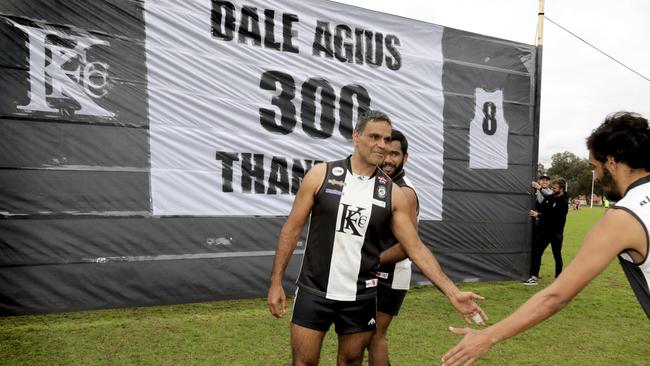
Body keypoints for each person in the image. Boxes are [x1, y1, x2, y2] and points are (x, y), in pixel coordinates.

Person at [266, 110, 487, 366]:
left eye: (386, 139)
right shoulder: (321, 175)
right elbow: (291, 230)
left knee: (351, 361)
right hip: (314, 290)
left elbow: (414, 247)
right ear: (356, 136)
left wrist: (452, 292)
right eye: (374, 137)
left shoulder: (393, 194)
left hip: (361, 295)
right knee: (303, 362)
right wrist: (276, 283)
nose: (382, 145)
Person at [441, 111, 650, 366]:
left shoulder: (622, 218)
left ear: (612, 162)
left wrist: (486, 337)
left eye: (594, 168)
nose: (595, 177)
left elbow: (555, 297)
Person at [367, 129, 418, 366]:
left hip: (391, 273)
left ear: (405, 158)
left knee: (375, 336)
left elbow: (407, 247)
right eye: (385, 153)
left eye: (395, 154)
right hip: (373, 271)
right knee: (364, 335)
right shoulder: (377, 183)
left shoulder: (404, 192)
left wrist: (370, 261)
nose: (388, 159)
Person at [524, 178, 569, 285]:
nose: (552, 190)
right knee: (537, 252)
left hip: (556, 233)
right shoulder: (551, 197)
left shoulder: (563, 202)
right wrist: (539, 189)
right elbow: (545, 200)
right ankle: (534, 277)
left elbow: (555, 217)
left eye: (555, 188)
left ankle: (559, 278)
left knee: (557, 255)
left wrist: (538, 215)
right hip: (545, 232)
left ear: (561, 189)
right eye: (552, 188)